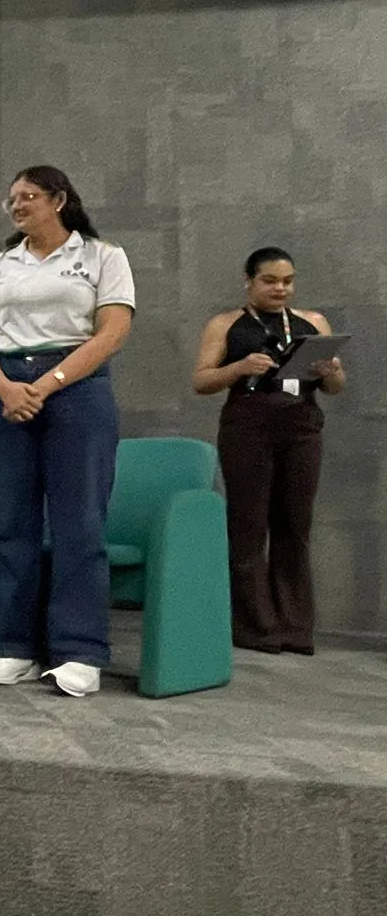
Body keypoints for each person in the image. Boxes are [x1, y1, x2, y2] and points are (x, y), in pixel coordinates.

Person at [0, 165, 135, 698]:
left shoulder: (102, 256)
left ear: (59, 200)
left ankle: (79, 652)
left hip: (77, 388)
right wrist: (7, 388)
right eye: (11, 199)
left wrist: (48, 383)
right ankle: (15, 646)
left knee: (78, 523)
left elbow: (112, 333)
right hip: (3, 389)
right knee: (11, 525)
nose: (17, 207)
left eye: (29, 197)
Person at [191, 247, 344, 655]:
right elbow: (201, 381)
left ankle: (295, 626)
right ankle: (255, 627)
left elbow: (335, 387)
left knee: (295, 525)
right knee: (248, 525)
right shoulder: (226, 324)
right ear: (249, 280)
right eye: (270, 281)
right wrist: (237, 369)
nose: (280, 289)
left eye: (287, 281)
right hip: (248, 428)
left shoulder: (312, 323)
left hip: (301, 427)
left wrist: (331, 371)